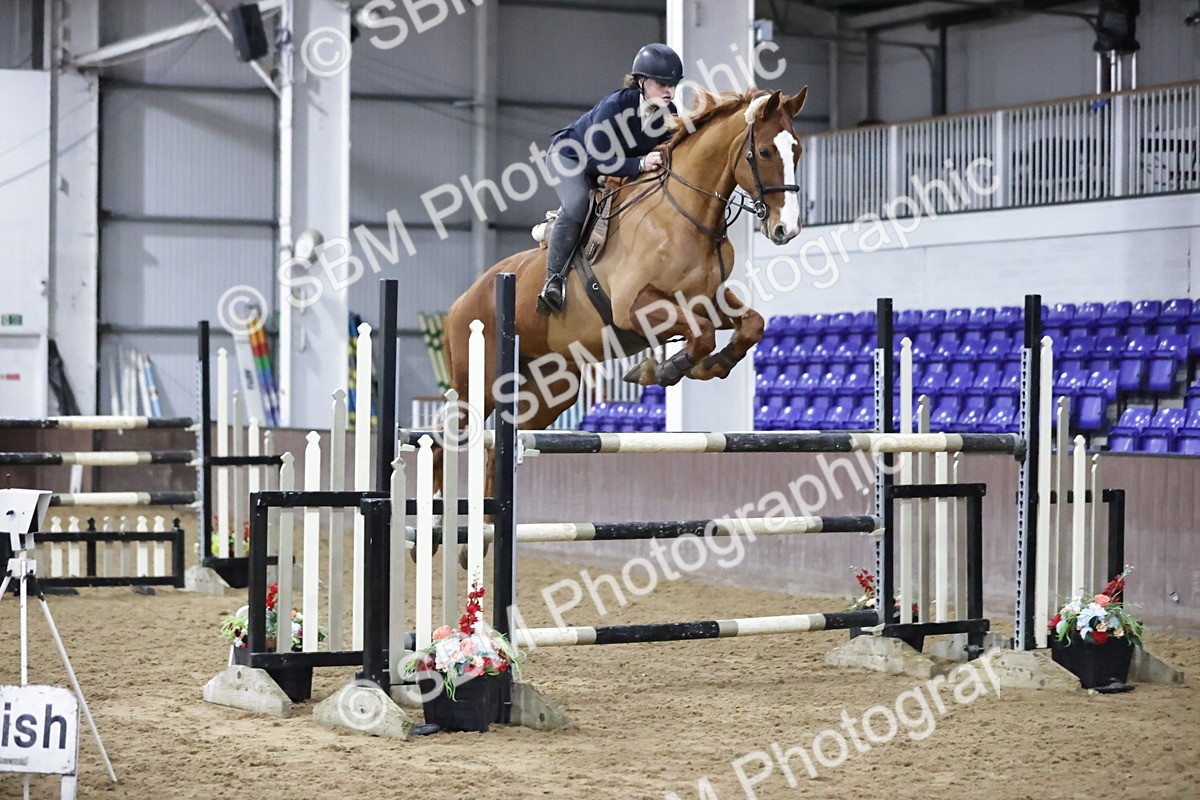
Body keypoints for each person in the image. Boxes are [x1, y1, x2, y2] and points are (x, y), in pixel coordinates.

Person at [536, 43, 683, 315]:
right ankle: (553, 281)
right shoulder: (615, 106)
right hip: (571, 158)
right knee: (578, 203)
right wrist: (640, 163)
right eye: (662, 84)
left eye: (673, 85)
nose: (669, 91)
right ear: (641, 81)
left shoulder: (669, 113)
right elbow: (594, 160)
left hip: (612, 167)